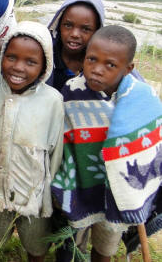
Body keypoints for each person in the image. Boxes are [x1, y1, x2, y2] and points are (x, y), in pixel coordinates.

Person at [51, 25, 162, 262]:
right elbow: (63, 140)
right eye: (91, 59)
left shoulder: (142, 97)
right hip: (82, 185)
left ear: (128, 68)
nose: (97, 70)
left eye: (110, 65)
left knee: (105, 248)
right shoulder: (72, 92)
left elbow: (150, 148)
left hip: (118, 195)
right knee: (72, 246)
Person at [0, 21, 64, 262]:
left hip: (34, 194)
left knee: (36, 246)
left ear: (44, 66)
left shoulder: (52, 100)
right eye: (11, 57)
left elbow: (56, 151)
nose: (18, 67)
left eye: (31, 62)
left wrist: (54, 192)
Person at [46, 0, 103, 91]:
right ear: (58, 26)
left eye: (85, 29)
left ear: (97, 32)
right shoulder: (45, 56)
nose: (75, 34)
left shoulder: (103, 64)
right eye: (68, 25)